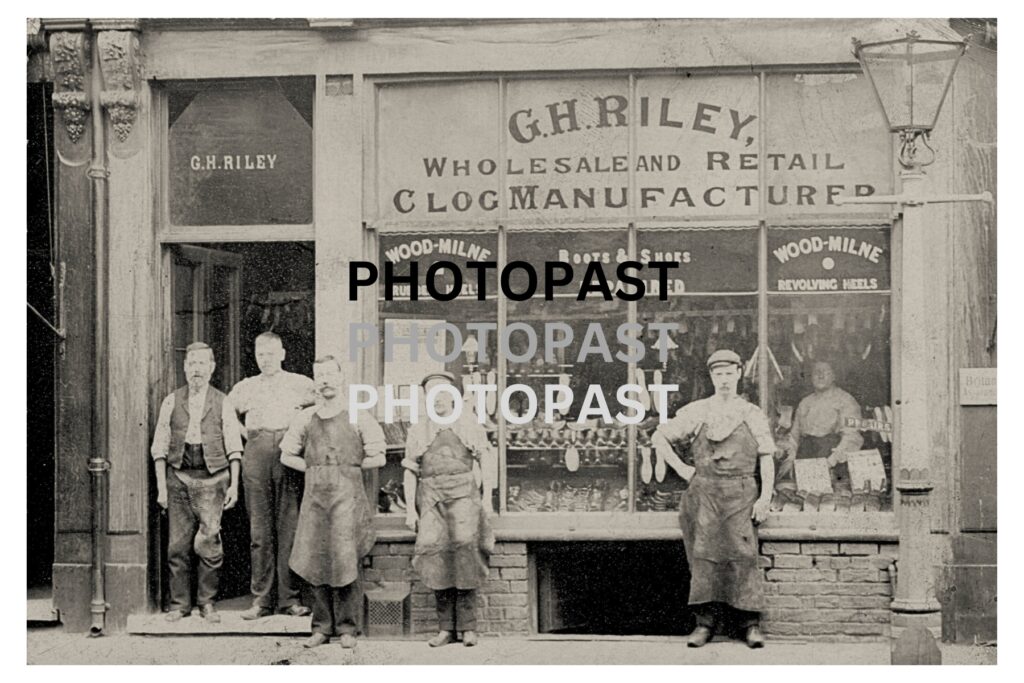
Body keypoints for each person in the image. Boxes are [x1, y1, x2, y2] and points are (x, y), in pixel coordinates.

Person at [652, 349, 775, 649]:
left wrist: (765, 498)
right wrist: (683, 469)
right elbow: (659, 437)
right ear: (711, 377)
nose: (723, 380)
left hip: (742, 492)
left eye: (729, 373)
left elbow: (767, 457)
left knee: (743, 555)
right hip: (704, 492)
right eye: (718, 374)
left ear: (738, 374)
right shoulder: (698, 411)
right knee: (704, 556)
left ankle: (750, 625)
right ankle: (704, 624)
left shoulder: (751, 413)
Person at [279, 355, 386, 649]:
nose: (325, 379)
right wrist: (314, 470)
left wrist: (348, 469)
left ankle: (348, 629)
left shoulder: (358, 415)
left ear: (340, 378)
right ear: (315, 380)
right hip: (315, 500)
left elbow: (379, 454)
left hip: (347, 500)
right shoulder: (305, 418)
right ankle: (321, 627)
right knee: (315, 559)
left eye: (330, 373)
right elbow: (286, 455)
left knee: (345, 559)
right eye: (320, 374)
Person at [150, 342, 243, 623]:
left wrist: (234, 485)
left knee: (210, 544)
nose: (196, 370)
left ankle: (207, 602)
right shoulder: (171, 400)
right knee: (177, 546)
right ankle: (180, 604)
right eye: (191, 364)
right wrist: (162, 487)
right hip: (178, 478)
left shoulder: (222, 400)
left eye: (202, 364)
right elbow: (159, 448)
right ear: (184, 368)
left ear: (212, 367)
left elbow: (234, 447)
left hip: (213, 479)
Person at [403, 371, 495, 648]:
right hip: (431, 499)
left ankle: (468, 628)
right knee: (435, 554)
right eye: (432, 394)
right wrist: (410, 509)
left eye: (443, 393)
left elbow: (486, 461)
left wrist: (488, 497)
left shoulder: (469, 425)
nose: (438, 400)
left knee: (466, 552)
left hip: (465, 497)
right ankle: (445, 628)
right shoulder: (418, 430)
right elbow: (410, 471)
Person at [229, 332, 316, 619]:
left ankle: (289, 600)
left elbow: (320, 409)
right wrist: (249, 436)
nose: (265, 359)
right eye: (260, 354)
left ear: (282, 353)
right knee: (260, 532)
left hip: (287, 455)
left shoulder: (300, 383)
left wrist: (299, 435)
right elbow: (226, 416)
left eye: (271, 353)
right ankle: (261, 600)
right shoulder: (245, 387)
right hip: (256, 453)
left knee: (288, 528)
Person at [781, 360, 863, 494]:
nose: (820, 376)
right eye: (816, 372)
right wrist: (790, 459)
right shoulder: (805, 402)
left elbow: (852, 437)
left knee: (830, 502)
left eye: (826, 372)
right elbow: (794, 436)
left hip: (834, 461)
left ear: (834, 376)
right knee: (806, 500)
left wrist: (831, 462)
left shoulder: (846, 400)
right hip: (806, 459)